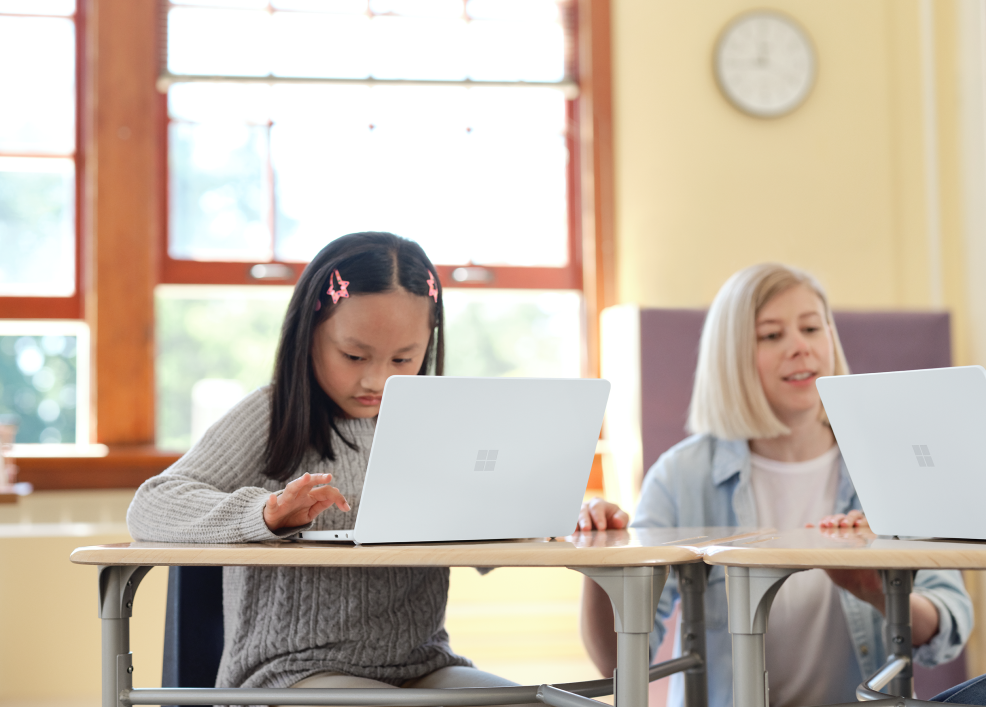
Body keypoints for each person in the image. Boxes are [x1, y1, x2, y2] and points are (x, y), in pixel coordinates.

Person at [128, 232, 516, 693]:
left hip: (422, 665)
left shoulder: (437, 425)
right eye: (354, 356)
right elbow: (150, 505)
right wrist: (264, 515)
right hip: (290, 673)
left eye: (403, 357)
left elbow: (489, 541)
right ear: (309, 334)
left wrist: (558, 516)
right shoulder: (273, 415)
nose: (377, 378)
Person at [578, 263, 973, 707]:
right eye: (771, 335)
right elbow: (620, 661)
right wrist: (601, 563)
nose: (800, 348)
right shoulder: (681, 476)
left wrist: (878, 591)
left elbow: (950, 625)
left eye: (811, 327)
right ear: (731, 357)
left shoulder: (892, 463)